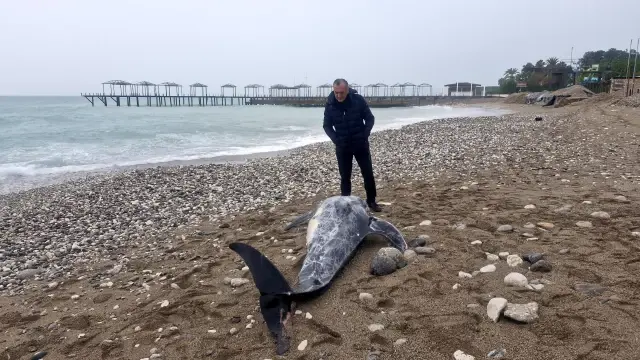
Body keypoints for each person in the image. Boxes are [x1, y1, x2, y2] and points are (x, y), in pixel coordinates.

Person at [322, 78, 381, 212]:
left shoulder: (358, 100)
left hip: (360, 144)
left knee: (368, 174)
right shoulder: (330, 104)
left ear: (347, 90)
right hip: (343, 146)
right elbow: (326, 125)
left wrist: (365, 134)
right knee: (345, 177)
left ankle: (371, 201)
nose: (338, 95)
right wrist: (336, 140)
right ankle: (345, 205)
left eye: (341, 92)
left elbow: (370, 118)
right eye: (336, 92)